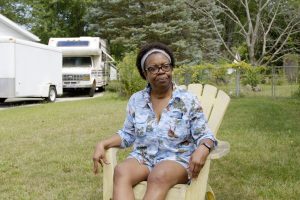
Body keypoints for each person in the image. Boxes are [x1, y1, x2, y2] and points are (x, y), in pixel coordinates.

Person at [93, 42, 217, 200]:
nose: (161, 72)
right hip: (144, 157)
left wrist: (203, 148)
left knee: (159, 174)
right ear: (145, 74)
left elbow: (205, 135)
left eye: (165, 66)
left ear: (171, 68)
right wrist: (102, 144)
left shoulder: (188, 100)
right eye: (153, 68)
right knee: (121, 171)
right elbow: (128, 134)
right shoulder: (136, 100)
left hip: (176, 159)